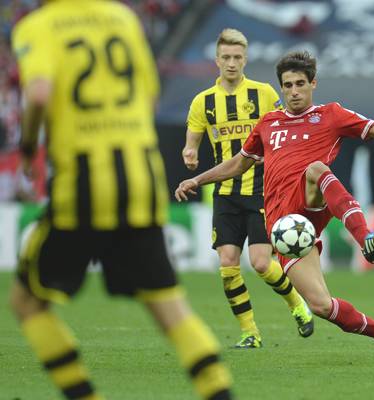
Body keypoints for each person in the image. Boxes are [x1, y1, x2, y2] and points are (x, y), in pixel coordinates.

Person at [175, 51, 374, 363]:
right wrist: (197, 179)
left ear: (313, 83)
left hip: (311, 199)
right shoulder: (268, 123)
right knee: (322, 306)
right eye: (288, 85)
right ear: (281, 88)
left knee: (316, 169)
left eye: (300, 83)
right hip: (284, 228)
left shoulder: (331, 115)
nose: (294, 91)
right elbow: (239, 163)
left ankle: (366, 238)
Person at [9, 1, 232, 399]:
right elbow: (149, 94)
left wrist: (28, 148)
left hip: (82, 182)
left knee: (26, 302)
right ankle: (219, 390)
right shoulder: (123, 18)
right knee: (168, 306)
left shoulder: (38, 25)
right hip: (140, 175)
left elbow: (39, 94)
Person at [182, 28, 313, 349]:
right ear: (217, 60)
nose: (231, 63)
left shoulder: (264, 93)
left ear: (245, 59)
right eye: (226, 57)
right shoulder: (202, 102)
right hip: (225, 194)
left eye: (237, 57)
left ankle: (297, 304)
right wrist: (190, 153)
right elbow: (192, 142)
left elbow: (285, 126)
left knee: (260, 263)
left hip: (261, 190)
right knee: (227, 263)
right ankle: (250, 333)